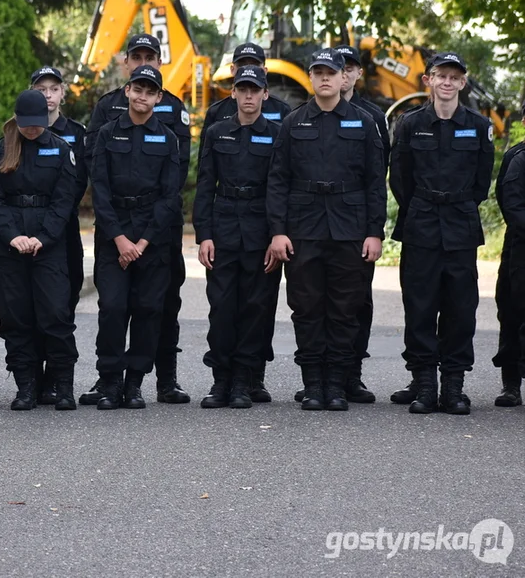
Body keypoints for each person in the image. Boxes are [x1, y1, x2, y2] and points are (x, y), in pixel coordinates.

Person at [266, 48, 386, 412]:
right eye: (317, 73)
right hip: (303, 229)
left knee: (344, 308)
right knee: (305, 308)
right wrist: (278, 231)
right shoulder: (293, 122)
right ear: (311, 78)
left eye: (330, 73)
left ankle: (336, 383)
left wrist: (374, 232)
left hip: (349, 228)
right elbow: (278, 180)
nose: (324, 78)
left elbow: (375, 183)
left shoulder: (363, 122)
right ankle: (313, 383)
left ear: (342, 77)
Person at [80, 34, 192, 405]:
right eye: (137, 89)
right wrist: (120, 240)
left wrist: (141, 242)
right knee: (112, 307)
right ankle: (110, 381)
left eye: (150, 91)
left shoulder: (169, 140)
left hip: (153, 237)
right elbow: (101, 188)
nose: (143, 96)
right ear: (128, 91)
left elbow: (169, 194)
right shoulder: (109, 132)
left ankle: (134, 384)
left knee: (148, 309)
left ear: (158, 98)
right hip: (116, 234)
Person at [388, 52, 494, 415]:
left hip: (461, 225)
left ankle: (453, 387)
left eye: (454, 77)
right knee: (419, 306)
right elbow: (400, 178)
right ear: (427, 81)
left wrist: (457, 204)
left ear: (463, 83)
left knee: (461, 309)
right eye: (440, 76)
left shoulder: (478, 126)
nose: (447, 83)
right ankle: (423, 385)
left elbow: (482, 181)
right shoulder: (409, 124)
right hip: (421, 224)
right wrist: (423, 205)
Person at [204, 42, 292, 401]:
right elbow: (207, 184)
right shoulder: (216, 131)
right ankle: (221, 378)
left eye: (254, 90)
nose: (248, 97)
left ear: (265, 93)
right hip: (224, 227)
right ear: (234, 93)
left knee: (256, 307)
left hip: (260, 228)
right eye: (242, 90)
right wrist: (204, 235)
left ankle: (245, 379)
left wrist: (277, 234)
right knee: (222, 306)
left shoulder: (277, 134)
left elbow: (280, 187)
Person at [0, 89, 80, 410]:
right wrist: (12, 236)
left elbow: (64, 200)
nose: (33, 129)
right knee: (16, 316)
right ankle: (27, 386)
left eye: (38, 123)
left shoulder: (61, 149)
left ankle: (61, 385)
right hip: (9, 246)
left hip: (48, 245)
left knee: (55, 314)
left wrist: (43, 237)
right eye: (27, 124)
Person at [33, 66, 87, 403]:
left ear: (63, 93)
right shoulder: (22, 129)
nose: (48, 95)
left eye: (54, 89)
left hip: (64, 229)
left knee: (62, 304)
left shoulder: (77, 133)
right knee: (30, 305)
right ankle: (33, 377)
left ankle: (56, 375)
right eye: (41, 89)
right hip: (30, 228)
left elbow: (79, 181)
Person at [492, 118, 525, 407]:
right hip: (520, 250)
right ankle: (511, 385)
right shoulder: (517, 157)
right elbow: (510, 203)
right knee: (513, 313)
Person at [203, 43, 294, 127]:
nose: (248, 70)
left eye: (254, 66)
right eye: (242, 66)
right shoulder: (216, 112)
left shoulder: (282, 110)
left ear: (265, 71)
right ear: (232, 69)